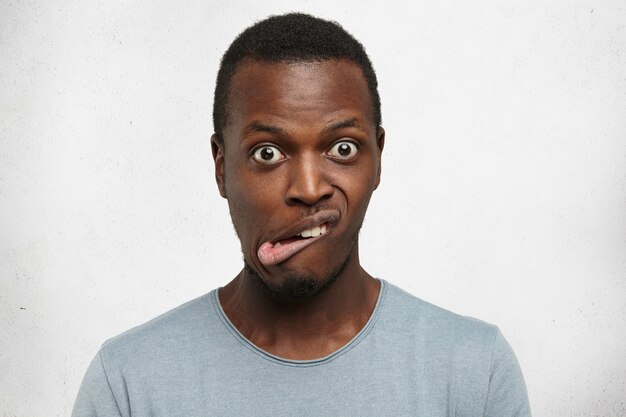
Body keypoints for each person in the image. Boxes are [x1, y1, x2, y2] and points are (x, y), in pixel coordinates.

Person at [72, 13, 531, 416]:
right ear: (221, 168)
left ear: (378, 160)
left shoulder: (474, 372)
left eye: (342, 148)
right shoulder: (128, 383)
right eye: (268, 153)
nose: (309, 189)